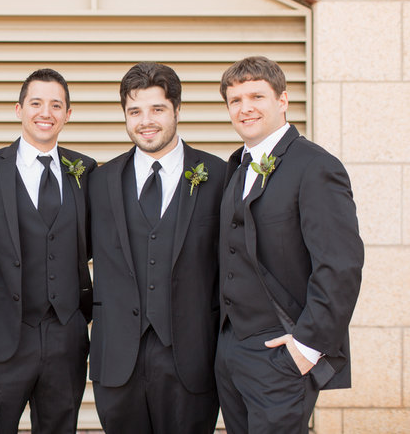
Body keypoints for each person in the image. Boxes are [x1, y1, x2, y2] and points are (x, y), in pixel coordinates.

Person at [215, 55, 364, 434]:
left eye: (256, 97)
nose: (245, 108)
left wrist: (307, 347)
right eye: (235, 100)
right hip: (232, 353)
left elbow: (340, 264)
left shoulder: (315, 166)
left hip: (282, 352)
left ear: (282, 100)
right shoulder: (238, 165)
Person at [88, 62, 224, 434]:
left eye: (157, 109)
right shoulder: (99, 181)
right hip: (117, 360)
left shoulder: (219, 176)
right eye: (135, 111)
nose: (145, 121)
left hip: (192, 358)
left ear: (178, 110)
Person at [0, 68, 96, 434]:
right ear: (18, 109)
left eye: (56, 105)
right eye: (36, 103)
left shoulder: (84, 171)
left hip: (66, 335)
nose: (46, 112)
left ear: (68, 114)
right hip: (2, 337)